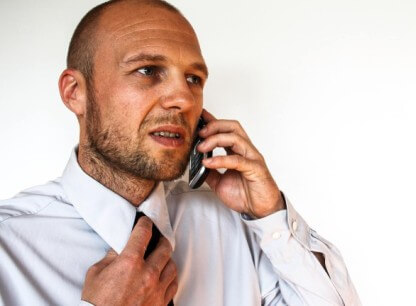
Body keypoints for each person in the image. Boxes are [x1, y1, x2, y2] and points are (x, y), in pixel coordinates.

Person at [0, 0, 361, 305]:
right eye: (147, 70)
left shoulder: (237, 228)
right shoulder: (9, 251)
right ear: (75, 92)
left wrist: (270, 214)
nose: (184, 99)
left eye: (193, 79)